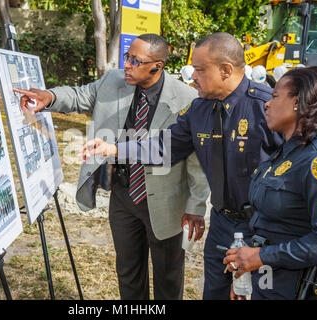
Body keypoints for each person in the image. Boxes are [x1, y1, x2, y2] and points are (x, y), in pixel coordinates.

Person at [80, 32, 284, 300]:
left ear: (225, 70)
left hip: (265, 229)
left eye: (199, 70)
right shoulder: (198, 110)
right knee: (215, 293)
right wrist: (115, 149)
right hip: (223, 223)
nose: (192, 77)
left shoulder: (267, 106)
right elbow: (163, 147)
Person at [14, 34, 209, 300]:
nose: (127, 65)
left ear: (157, 66)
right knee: (128, 271)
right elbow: (80, 95)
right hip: (124, 194)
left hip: (166, 201)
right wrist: (49, 96)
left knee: (168, 276)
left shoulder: (187, 98)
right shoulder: (113, 81)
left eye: (135, 61)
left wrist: (195, 207)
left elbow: (196, 160)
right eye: (127, 57)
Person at [223, 66, 317, 300]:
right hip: (268, 282)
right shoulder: (285, 154)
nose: (267, 103)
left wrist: (261, 257)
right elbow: (264, 224)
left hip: (301, 287)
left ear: (299, 102)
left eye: (275, 95)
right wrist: (245, 273)